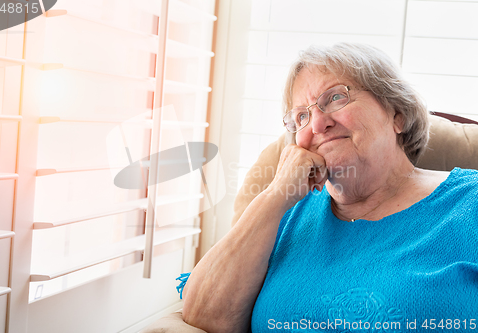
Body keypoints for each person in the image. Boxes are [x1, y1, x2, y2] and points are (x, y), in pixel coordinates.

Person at [178, 43, 478, 333]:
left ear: (396, 114)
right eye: (301, 116)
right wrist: (274, 195)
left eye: (335, 98)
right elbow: (203, 317)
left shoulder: (470, 202)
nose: (317, 125)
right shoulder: (282, 213)